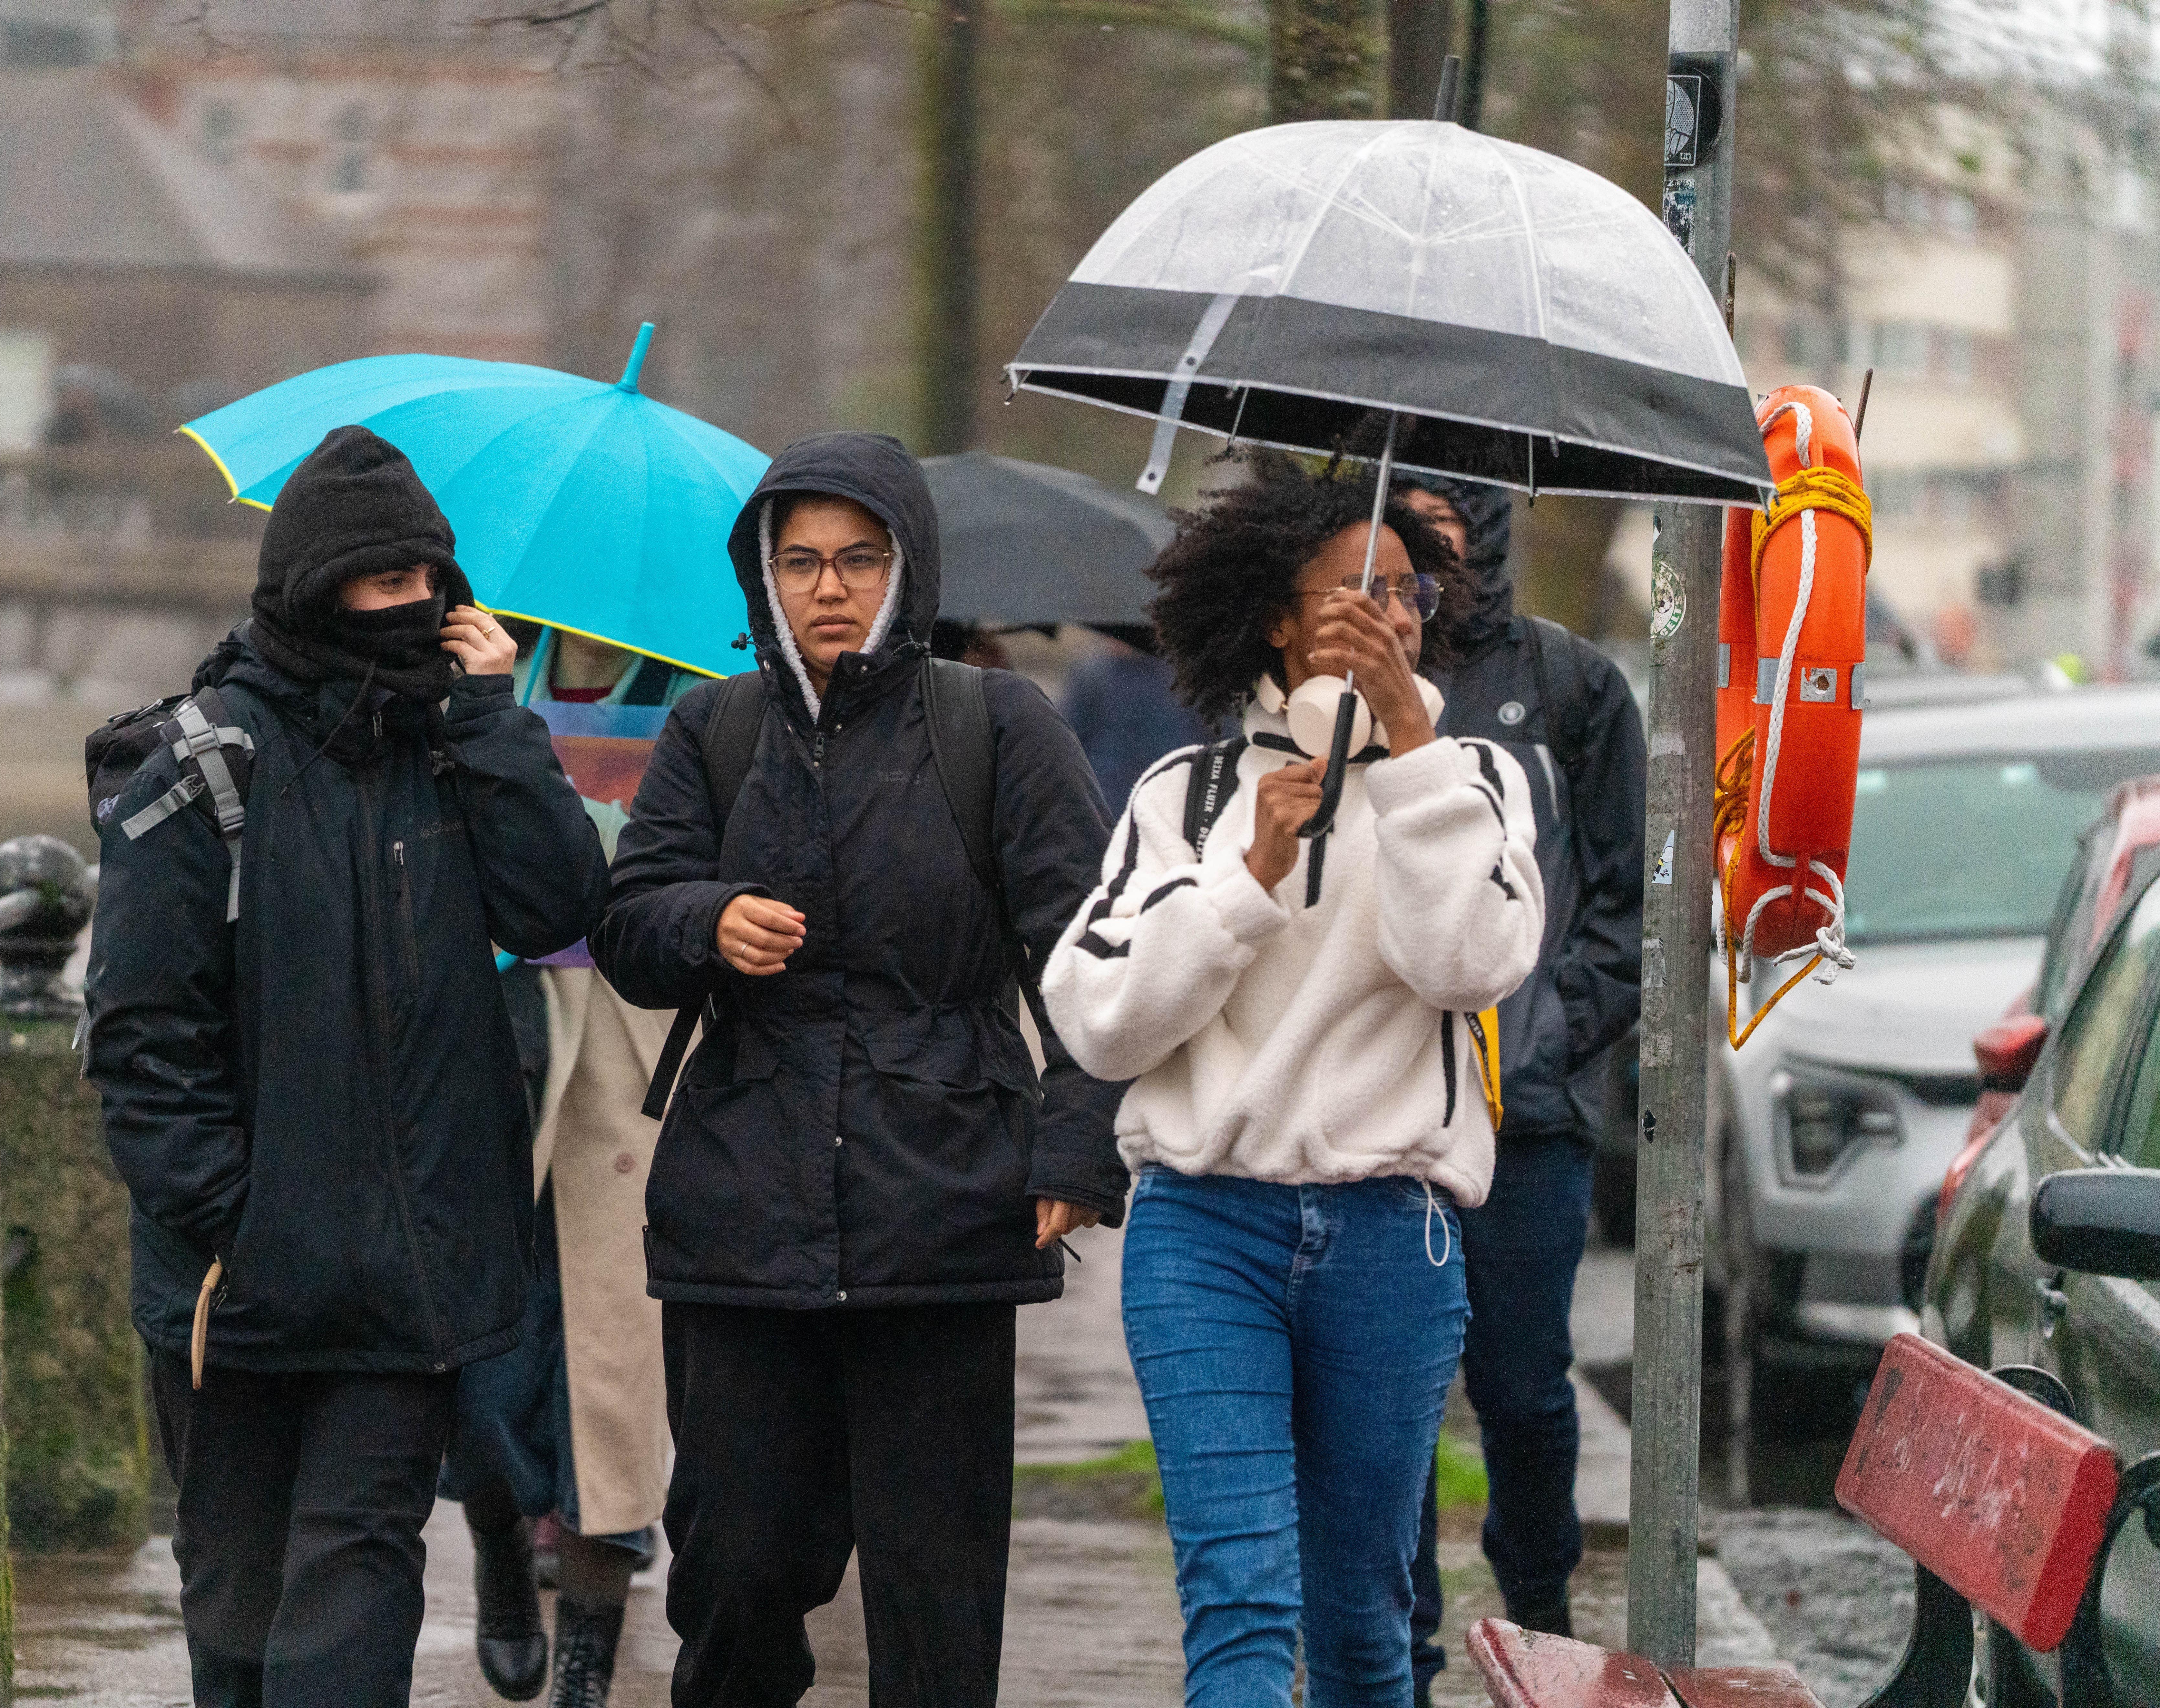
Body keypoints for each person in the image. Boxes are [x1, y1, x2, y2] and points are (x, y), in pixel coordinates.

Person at [589, 430, 1129, 1708]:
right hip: (743, 1208)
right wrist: (707, 918)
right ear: (762, 578)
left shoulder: (997, 725)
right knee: (739, 1564)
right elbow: (629, 924)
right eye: (800, 561)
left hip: (945, 1201)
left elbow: (1100, 955)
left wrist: (1074, 1146)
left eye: (858, 559)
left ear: (907, 569)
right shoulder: (710, 728)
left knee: (934, 1589)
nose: (828, 587)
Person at [83, 425, 609, 1708]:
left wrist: (498, 722)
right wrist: (234, 1221)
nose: (415, 608)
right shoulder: (201, 769)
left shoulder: (456, 742)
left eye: (430, 581)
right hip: (239, 1283)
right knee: (239, 1601)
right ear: (316, 591)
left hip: (402, 1275)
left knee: (357, 1584)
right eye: (383, 585)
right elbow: (139, 1037)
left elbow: (556, 906)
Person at [1042, 452, 1546, 1708]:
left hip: (1392, 1234)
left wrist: (1417, 753)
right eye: (1349, 590)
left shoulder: (1476, 783)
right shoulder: (1188, 790)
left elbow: (1470, 964)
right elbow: (1101, 1024)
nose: (1384, 614)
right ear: (1277, 616)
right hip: (1205, 1227)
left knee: (1362, 1615)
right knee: (1242, 1604)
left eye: (1405, 593)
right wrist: (1247, 878)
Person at [1393, 476, 1647, 1701]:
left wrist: (1546, 1039)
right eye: (1401, 526)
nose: (1426, 552)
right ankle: (1401, 1642)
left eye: (1446, 525)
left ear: (1488, 532)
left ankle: (1540, 1605)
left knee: (1521, 1388)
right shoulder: (1350, 685)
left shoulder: (1571, 687)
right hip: (1379, 1114)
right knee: (1382, 1395)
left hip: (1526, 1120)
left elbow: (1624, 902)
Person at [446, 623, 699, 1708]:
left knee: (614, 1369)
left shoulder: (699, 694)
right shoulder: (483, 664)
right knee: (482, 1353)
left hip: (634, 1045)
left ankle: (588, 1657)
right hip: (503, 1026)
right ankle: (500, 1544)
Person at [1059, 631, 1218, 816]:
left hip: (1169, 802)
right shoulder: (1092, 677)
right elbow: (1066, 745)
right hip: (1113, 805)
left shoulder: (1184, 676)